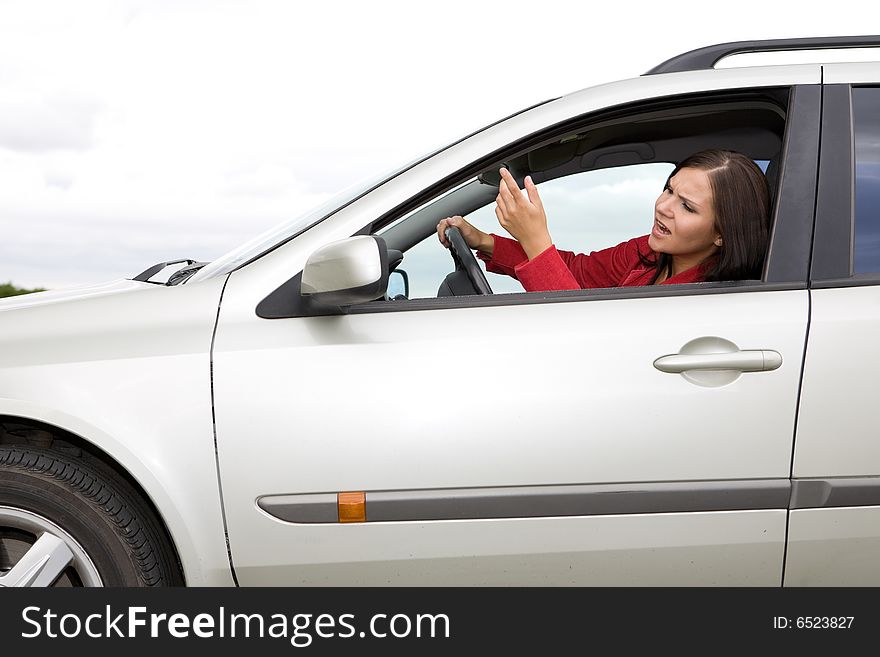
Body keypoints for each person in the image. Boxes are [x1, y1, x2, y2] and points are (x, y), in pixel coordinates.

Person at [436, 149, 771, 292]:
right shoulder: (650, 251)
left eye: (687, 207)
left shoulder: (707, 298)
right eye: (668, 190)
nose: (663, 207)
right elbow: (578, 273)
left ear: (722, 235)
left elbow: (579, 330)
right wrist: (484, 241)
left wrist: (536, 236)